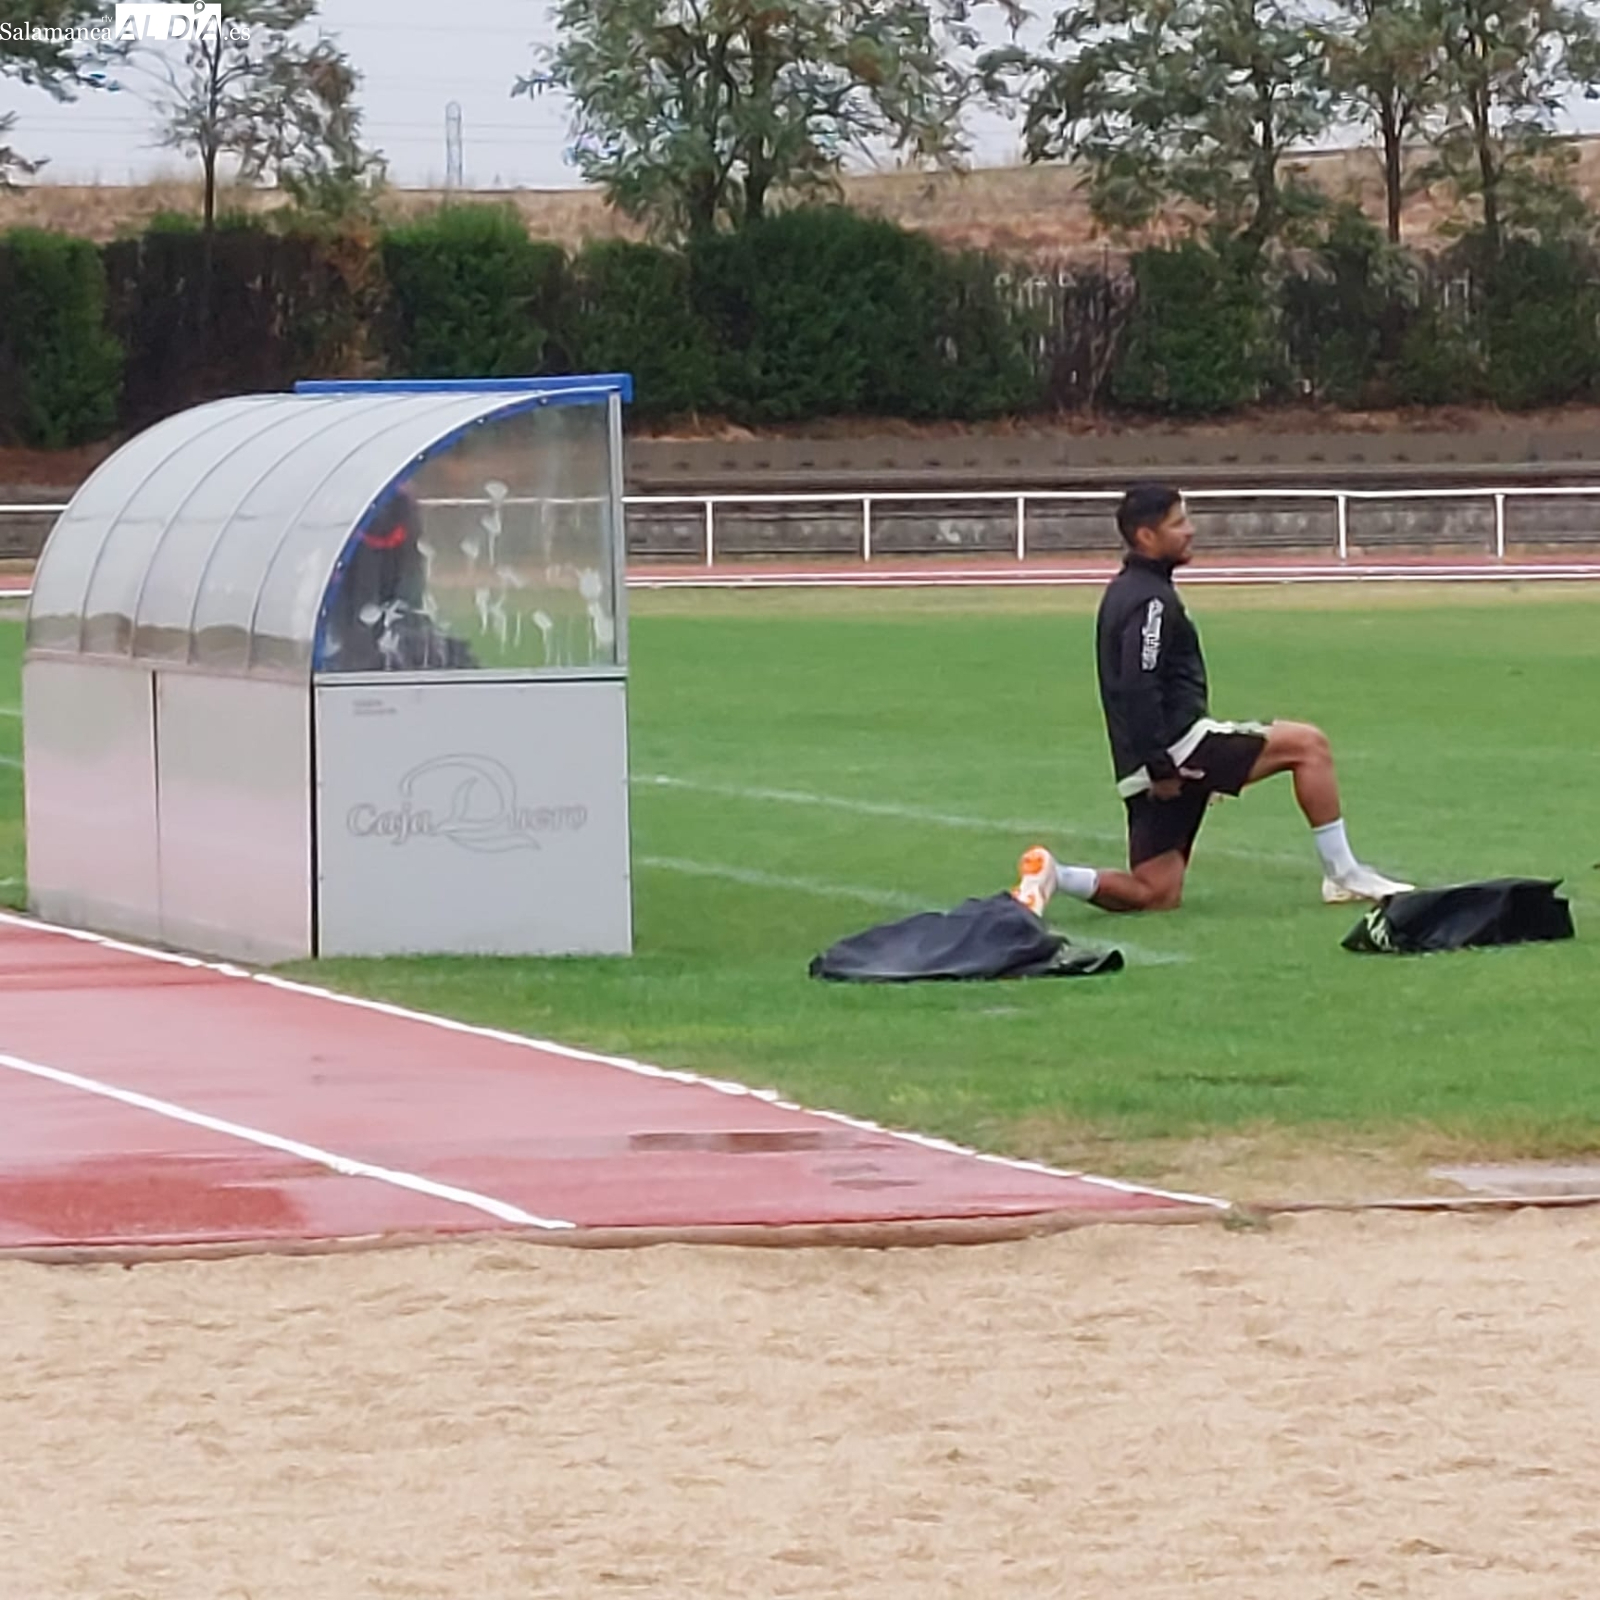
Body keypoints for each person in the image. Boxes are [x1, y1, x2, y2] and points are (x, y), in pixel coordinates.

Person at [1012, 482, 1413, 917]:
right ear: (1146, 536)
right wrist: (1164, 766)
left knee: (1155, 893)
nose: (1191, 530)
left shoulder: (1128, 591)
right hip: (1175, 749)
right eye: (1178, 522)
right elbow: (1137, 683)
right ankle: (1343, 874)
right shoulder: (1150, 601)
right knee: (1307, 745)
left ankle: (1055, 874)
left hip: (1140, 764)